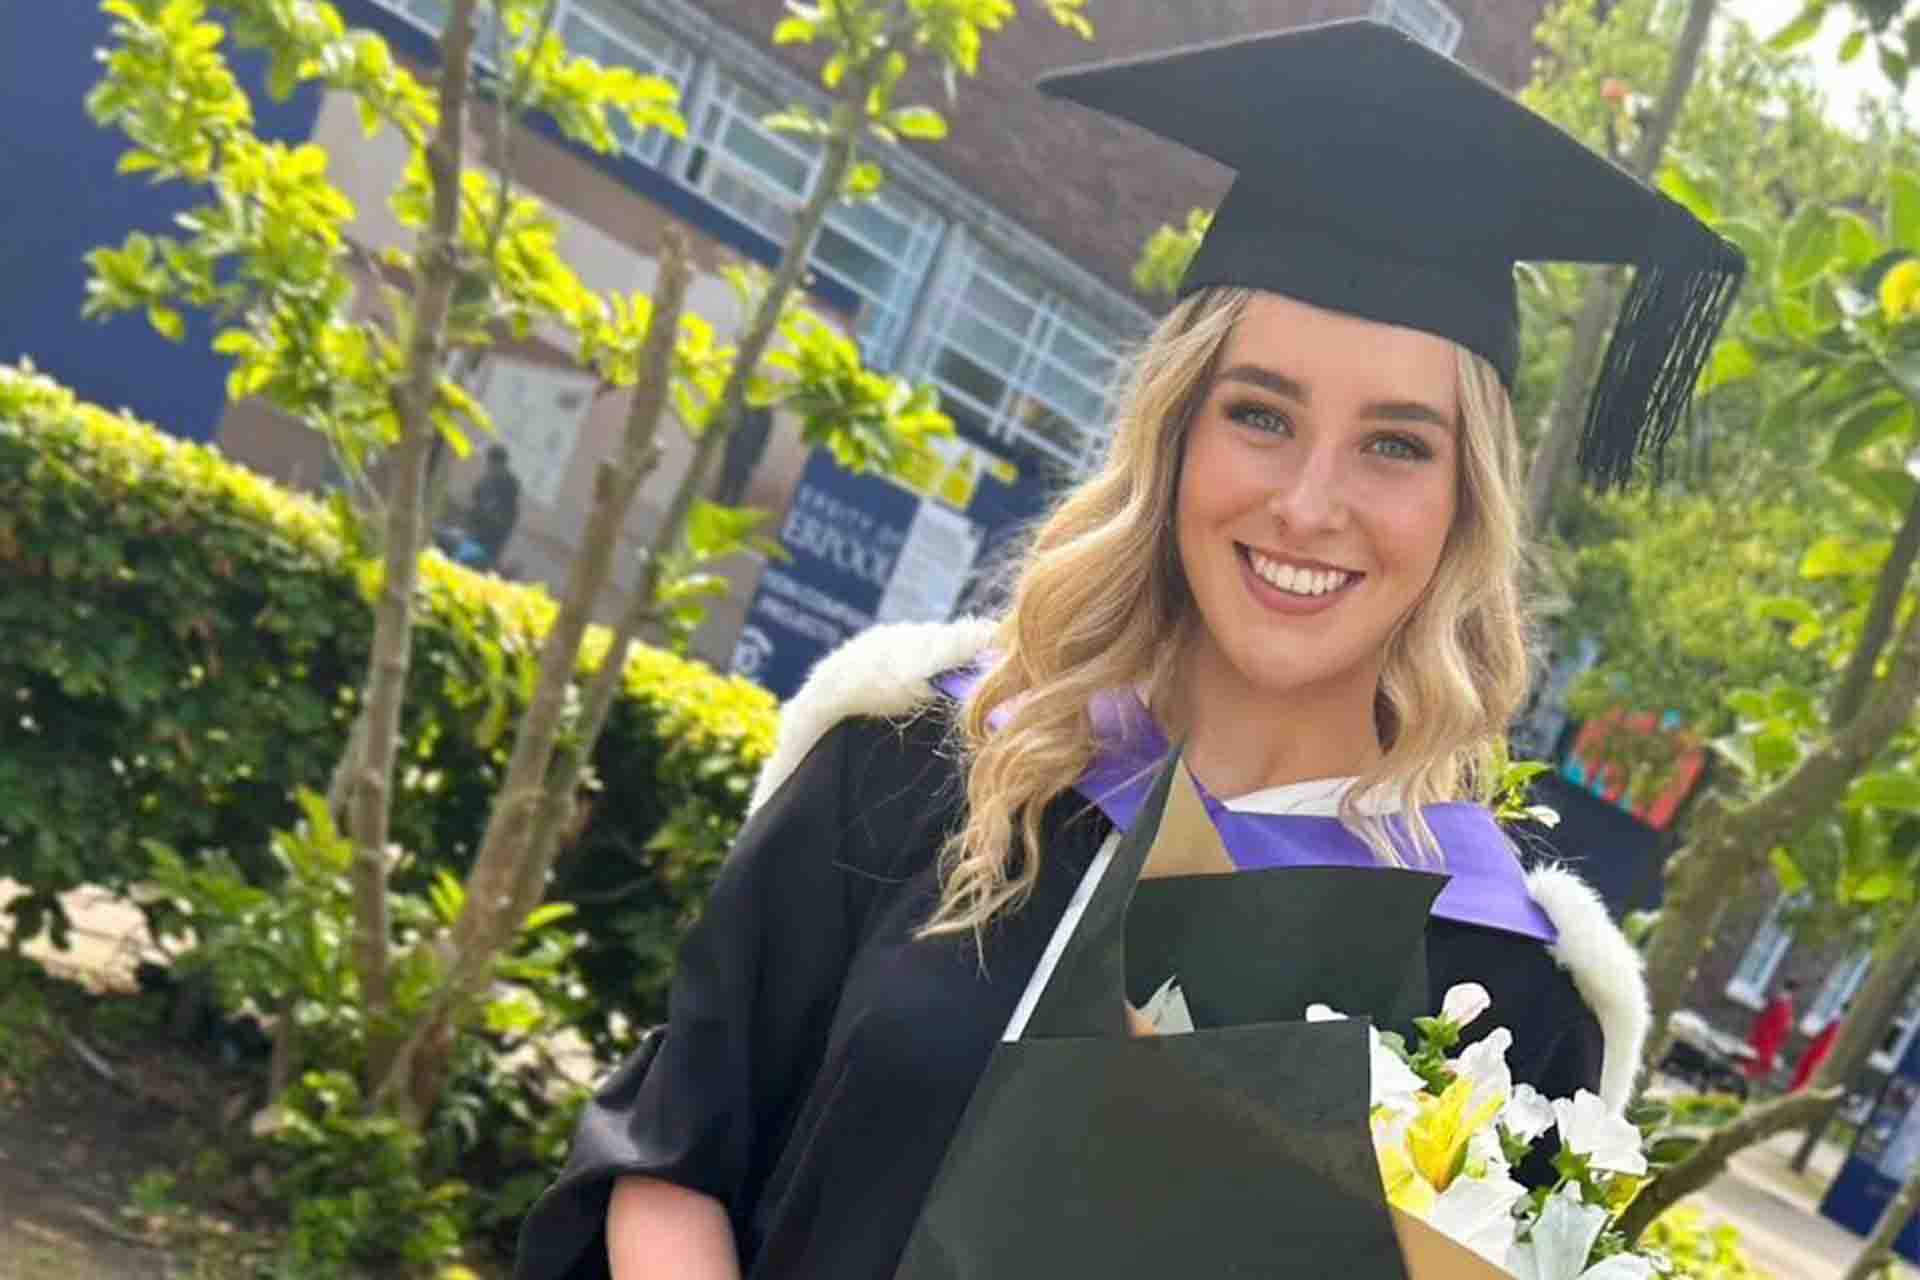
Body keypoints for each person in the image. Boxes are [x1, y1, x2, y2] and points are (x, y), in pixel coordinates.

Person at [515, 21, 1743, 1280]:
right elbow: (674, 1142)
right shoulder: (925, 758)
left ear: (1462, 505)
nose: (1310, 504)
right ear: (1176, 434)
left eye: (1395, 443)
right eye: (1260, 414)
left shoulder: (1502, 990)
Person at [468, 444, 522, 569]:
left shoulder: (509, 483)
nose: (488, 466)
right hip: (479, 531)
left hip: (492, 537)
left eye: (491, 463)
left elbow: (506, 514)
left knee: (478, 564)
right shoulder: (488, 478)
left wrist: (487, 510)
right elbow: (476, 495)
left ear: (499, 463)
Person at [1746, 979, 1800, 1081]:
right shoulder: (1785, 1005)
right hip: (1768, 1039)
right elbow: (1783, 1027)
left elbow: (1763, 1016)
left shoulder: (1777, 1001)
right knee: (1755, 1062)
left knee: (1751, 1059)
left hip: (1762, 1035)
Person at [1791, 1001, 1846, 1092]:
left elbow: (1821, 1036)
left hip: (1818, 1053)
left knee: (1804, 1074)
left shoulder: (1836, 1024)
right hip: (1821, 1054)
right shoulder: (1838, 1025)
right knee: (1806, 1075)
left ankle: (1795, 1091)